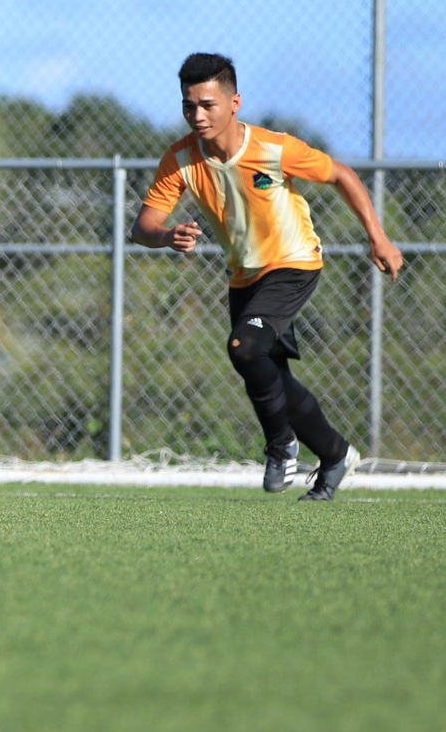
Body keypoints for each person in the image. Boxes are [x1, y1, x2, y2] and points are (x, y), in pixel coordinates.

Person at [131, 52, 401, 501]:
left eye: (207, 105)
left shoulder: (273, 148)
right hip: (245, 276)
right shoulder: (179, 159)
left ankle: (281, 446)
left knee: (244, 346)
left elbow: (341, 175)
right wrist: (166, 236)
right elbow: (142, 227)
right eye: (188, 106)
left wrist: (378, 238)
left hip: (294, 263)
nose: (197, 115)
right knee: (269, 373)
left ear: (234, 102)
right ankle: (335, 454)